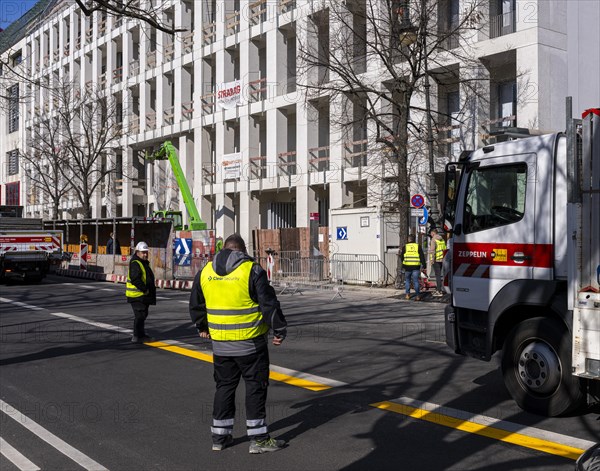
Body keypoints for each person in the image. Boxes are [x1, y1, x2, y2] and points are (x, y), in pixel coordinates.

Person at [189, 234, 288, 454]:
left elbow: (196, 304)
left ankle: (219, 438)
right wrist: (279, 329)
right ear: (242, 251)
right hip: (250, 343)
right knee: (255, 387)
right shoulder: (251, 270)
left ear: (224, 250)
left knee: (224, 387)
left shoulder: (205, 272)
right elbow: (268, 303)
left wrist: (202, 326)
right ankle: (258, 439)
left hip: (221, 345)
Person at [126, 241, 156, 343]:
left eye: (146, 252)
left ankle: (140, 334)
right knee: (140, 315)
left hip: (141, 295)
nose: (145, 254)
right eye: (143, 252)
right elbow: (135, 279)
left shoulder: (142, 262)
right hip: (137, 295)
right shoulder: (136, 263)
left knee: (142, 315)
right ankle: (137, 336)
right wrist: (145, 289)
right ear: (137, 252)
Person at [399, 234, 426, 301]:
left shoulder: (405, 247)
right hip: (416, 266)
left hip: (407, 267)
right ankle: (417, 296)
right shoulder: (418, 246)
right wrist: (424, 265)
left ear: (408, 239)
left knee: (407, 281)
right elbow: (422, 256)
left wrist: (404, 264)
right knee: (416, 281)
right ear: (414, 240)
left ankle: (407, 294)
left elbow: (402, 257)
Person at [428, 229, 446, 296]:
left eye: (431, 233)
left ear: (433, 233)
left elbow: (432, 251)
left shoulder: (433, 240)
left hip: (436, 260)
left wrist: (431, 260)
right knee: (440, 275)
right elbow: (444, 249)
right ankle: (440, 289)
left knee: (437, 275)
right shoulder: (442, 240)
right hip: (441, 259)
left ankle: (439, 290)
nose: (430, 235)